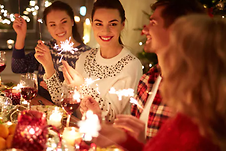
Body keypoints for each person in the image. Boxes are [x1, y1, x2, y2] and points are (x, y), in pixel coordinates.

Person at [95, 14, 225, 151]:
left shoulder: (197, 134)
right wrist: (124, 139)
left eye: (172, 50)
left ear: (192, 65)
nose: (165, 58)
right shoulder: (188, 116)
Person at [109, 0, 207, 143]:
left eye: (153, 23)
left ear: (176, 31)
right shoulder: (147, 80)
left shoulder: (194, 94)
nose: (144, 30)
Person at [45, 0, 143, 121]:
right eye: (99, 24)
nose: (105, 31)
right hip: (80, 132)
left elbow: (110, 117)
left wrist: (82, 86)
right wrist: (48, 66)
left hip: (108, 138)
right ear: (92, 24)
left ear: (122, 24)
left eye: (112, 24)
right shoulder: (86, 57)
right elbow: (62, 100)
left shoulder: (131, 65)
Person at [11, 1, 90, 102]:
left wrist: (55, 87)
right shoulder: (46, 49)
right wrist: (21, 35)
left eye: (64, 22)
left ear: (72, 21)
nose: (59, 28)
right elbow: (18, 67)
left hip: (68, 112)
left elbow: (86, 93)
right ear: (47, 27)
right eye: (53, 25)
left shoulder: (87, 54)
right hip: (41, 106)